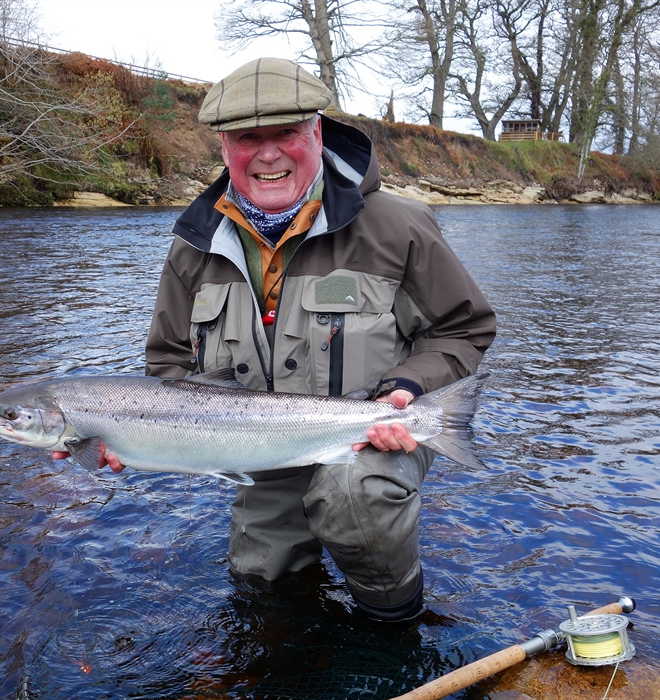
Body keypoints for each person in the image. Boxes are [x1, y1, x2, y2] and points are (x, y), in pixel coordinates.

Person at [57, 58, 496, 621]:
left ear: (316, 134)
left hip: (371, 435)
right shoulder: (193, 244)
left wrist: (409, 387)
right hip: (259, 449)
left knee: (356, 498)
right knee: (263, 591)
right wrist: (128, 434)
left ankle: (395, 619)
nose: (268, 155)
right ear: (224, 148)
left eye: (286, 133)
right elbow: (167, 363)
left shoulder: (398, 226)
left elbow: (463, 327)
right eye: (247, 139)